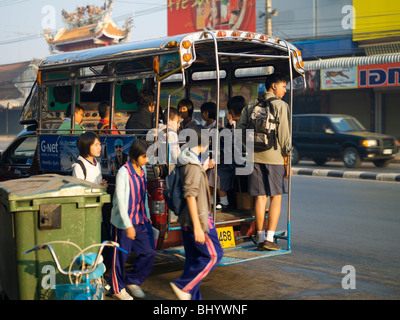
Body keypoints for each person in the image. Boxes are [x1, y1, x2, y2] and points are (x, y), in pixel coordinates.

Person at [236, 73, 292, 251]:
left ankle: (260, 238)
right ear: (273, 86)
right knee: (275, 197)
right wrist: (287, 158)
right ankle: (269, 238)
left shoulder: (251, 104)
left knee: (260, 197)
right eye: (283, 86)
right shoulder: (281, 105)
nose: (285, 90)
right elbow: (284, 135)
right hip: (274, 158)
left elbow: (240, 129)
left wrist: (251, 145)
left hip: (254, 157)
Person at [170, 124, 223, 300]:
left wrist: (204, 167)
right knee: (214, 255)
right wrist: (199, 227)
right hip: (197, 220)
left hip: (187, 219)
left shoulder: (188, 158)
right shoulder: (192, 164)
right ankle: (183, 286)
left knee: (193, 260)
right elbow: (191, 195)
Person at [109, 139, 156, 300]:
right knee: (120, 256)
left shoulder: (143, 171)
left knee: (149, 252)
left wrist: (148, 216)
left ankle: (132, 280)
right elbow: (121, 200)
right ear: (135, 157)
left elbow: (143, 196)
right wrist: (128, 225)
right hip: (124, 223)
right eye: (144, 156)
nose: (147, 160)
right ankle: (117, 288)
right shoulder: (124, 172)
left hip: (141, 220)